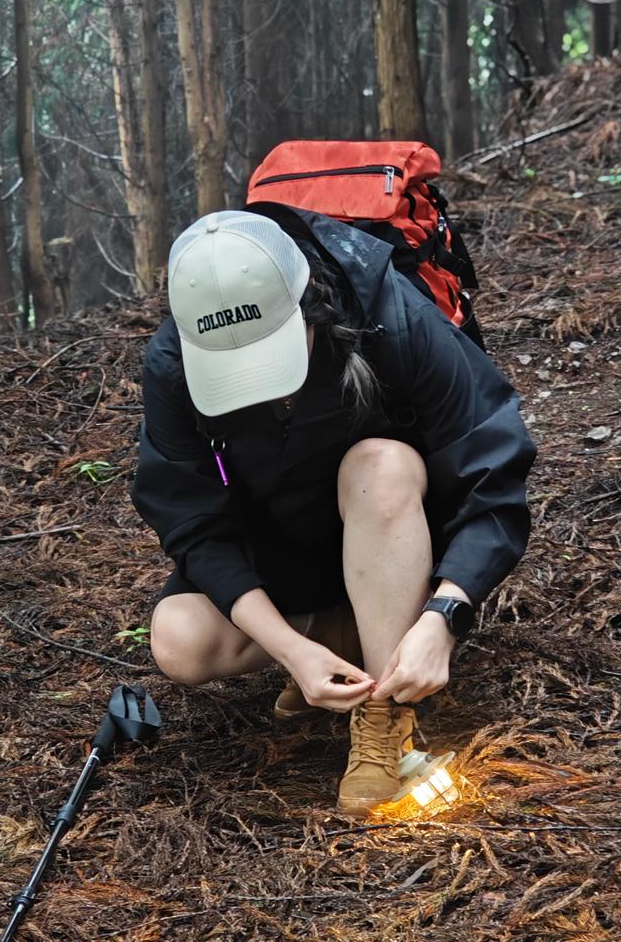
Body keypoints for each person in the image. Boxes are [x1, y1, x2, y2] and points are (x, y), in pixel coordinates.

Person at [131, 207, 535, 817]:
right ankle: (345, 635)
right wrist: (293, 649)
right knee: (180, 640)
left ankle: (383, 719)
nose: (264, 388)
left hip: (392, 527)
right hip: (283, 548)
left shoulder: (393, 319)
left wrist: (445, 614)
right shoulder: (173, 365)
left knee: (381, 464)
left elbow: (494, 473)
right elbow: (192, 520)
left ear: (309, 306)